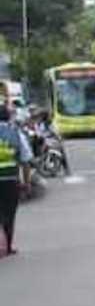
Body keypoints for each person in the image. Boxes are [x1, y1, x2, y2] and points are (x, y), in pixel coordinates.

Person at [0, 103, 33, 257]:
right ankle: (8, 246)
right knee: (9, 214)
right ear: (8, 116)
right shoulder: (16, 133)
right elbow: (25, 160)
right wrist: (26, 183)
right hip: (11, 180)